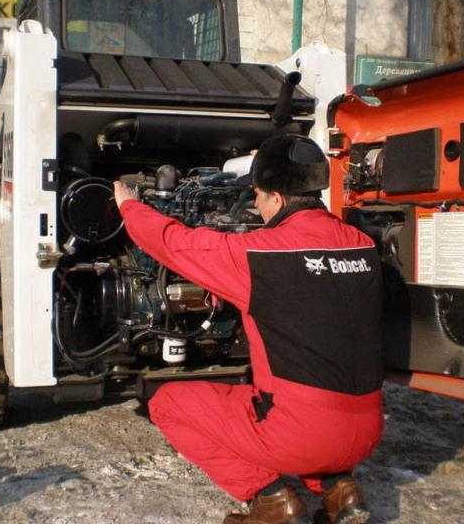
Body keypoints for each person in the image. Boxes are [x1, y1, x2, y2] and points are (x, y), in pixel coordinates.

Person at [113, 134, 384, 524]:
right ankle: (340, 490)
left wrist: (131, 207)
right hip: (366, 431)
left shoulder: (257, 255)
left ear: (276, 197)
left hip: (301, 436)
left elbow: (172, 241)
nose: (255, 205)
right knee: (311, 402)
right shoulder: (361, 246)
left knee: (167, 405)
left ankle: (272, 500)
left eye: (256, 194)